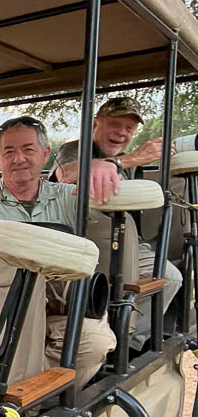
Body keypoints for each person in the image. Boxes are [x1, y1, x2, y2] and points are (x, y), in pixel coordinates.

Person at [0, 116, 116, 386]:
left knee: (96, 343)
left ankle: (35, 393)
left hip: (57, 303)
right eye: (9, 152)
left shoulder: (68, 196)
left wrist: (104, 169)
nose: (19, 159)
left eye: (28, 149)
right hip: (1, 302)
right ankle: (27, 389)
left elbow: (106, 215)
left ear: (45, 154)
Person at [51, 97, 182, 348]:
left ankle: (127, 344)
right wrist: (130, 159)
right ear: (95, 124)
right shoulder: (76, 149)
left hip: (126, 242)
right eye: (115, 124)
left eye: (129, 128)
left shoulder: (125, 159)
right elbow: (66, 173)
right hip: (86, 240)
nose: (122, 133)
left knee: (171, 277)